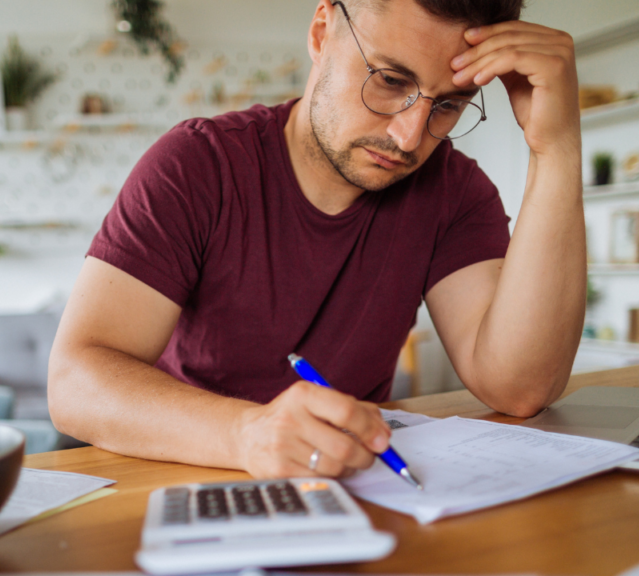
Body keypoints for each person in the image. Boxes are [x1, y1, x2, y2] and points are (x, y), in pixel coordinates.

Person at [48, 0, 584, 479]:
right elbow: (75, 382)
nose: (410, 136)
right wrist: (248, 433)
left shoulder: (454, 191)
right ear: (322, 32)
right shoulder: (197, 165)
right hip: (190, 480)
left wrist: (555, 149)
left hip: (350, 489)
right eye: (390, 81)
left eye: (447, 104)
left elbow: (520, 388)